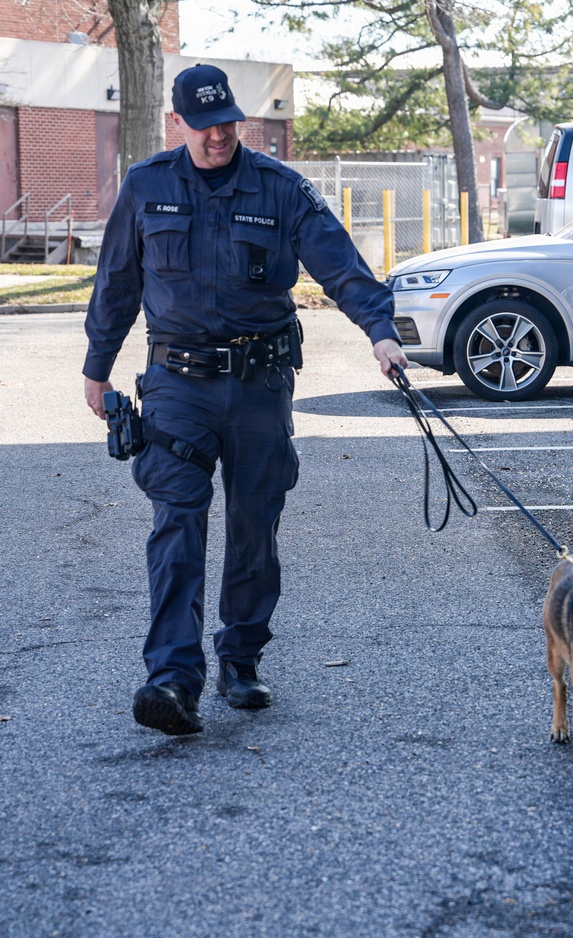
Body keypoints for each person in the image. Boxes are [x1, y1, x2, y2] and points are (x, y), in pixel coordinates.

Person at [83, 64, 408, 736]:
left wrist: (381, 334)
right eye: (204, 126)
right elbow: (116, 282)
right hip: (176, 383)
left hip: (259, 384)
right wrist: (97, 367)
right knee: (177, 520)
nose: (217, 136)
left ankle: (240, 657)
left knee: (255, 525)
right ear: (179, 123)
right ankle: (172, 680)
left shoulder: (281, 188)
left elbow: (342, 266)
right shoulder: (146, 187)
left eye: (226, 122)